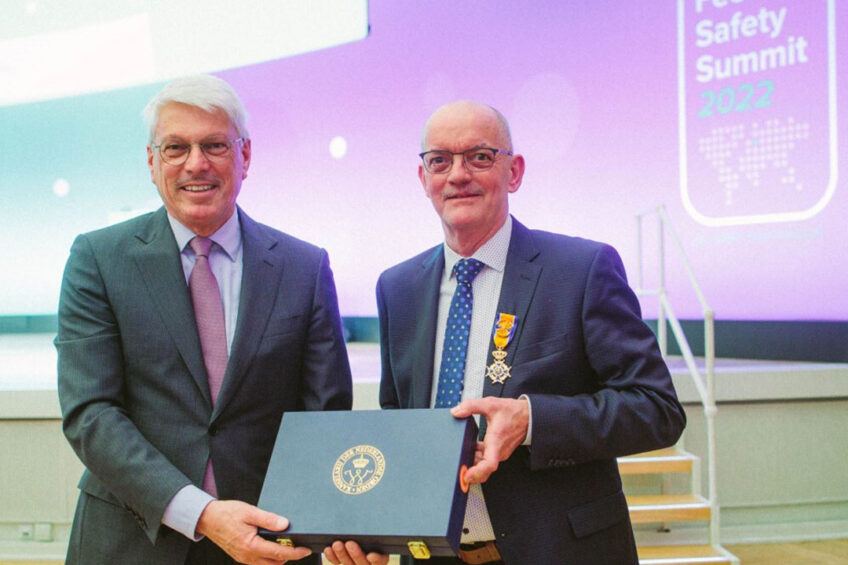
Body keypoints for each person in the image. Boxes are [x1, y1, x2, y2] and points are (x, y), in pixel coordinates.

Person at [325, 100, 686, 565]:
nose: (457, 175)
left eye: (479, 156)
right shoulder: (398, 288)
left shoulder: (580, 270)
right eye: (440, 160)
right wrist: (376, 535)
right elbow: (401, 425)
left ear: (514, 172)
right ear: (424, 179)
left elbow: (657, 410)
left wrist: (531, 421)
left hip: (560, 552)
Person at [56, 74, 353, 565]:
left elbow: (325, 418)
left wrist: (335, 527)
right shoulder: (98, 259)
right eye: (175, 147)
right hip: (130, 543)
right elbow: (91, 414)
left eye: (215, 144)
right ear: (152, 163)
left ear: (246, 156)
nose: (196, 163)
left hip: (267, 543)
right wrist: (202, 514)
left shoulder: (304, 267)